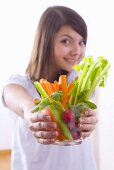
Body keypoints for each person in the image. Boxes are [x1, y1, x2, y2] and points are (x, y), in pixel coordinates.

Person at [2, 5, 98, 170]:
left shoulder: (78, 83)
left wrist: (90, 119)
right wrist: (34, 114)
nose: (77, 51)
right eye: (66, 41)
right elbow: (22, 103)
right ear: (45, 42)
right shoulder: (19, 84)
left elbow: (85, 110)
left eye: (81, 42)